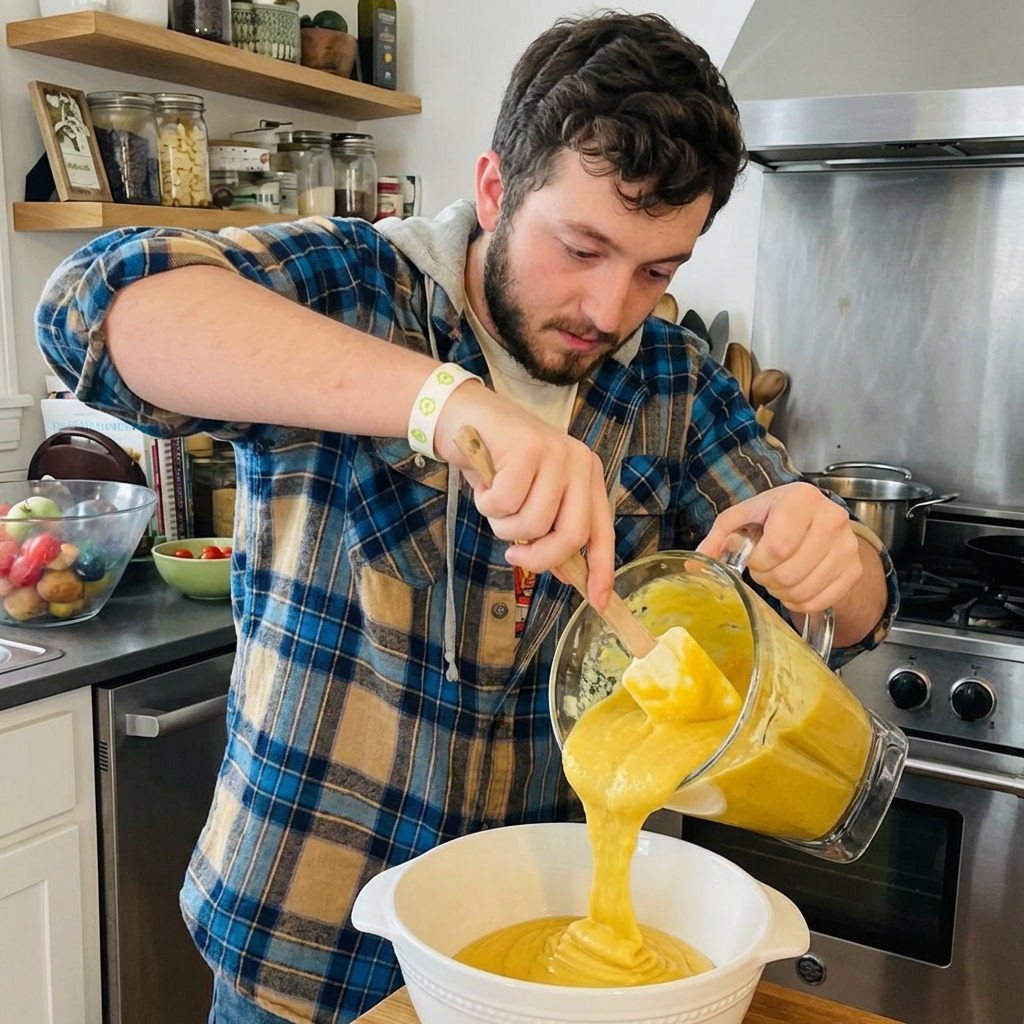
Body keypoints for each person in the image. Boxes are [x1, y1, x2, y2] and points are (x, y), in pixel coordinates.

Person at [35, 12, 896, 1024]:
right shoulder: (358, 289)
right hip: (303, 956)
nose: (612, 309)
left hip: (541, 964)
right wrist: (446, 404)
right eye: (581, 247)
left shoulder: (670, 381)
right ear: (494, 190)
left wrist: (831, 556)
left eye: (658, 270)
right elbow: (92, 310)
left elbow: (860, 608)